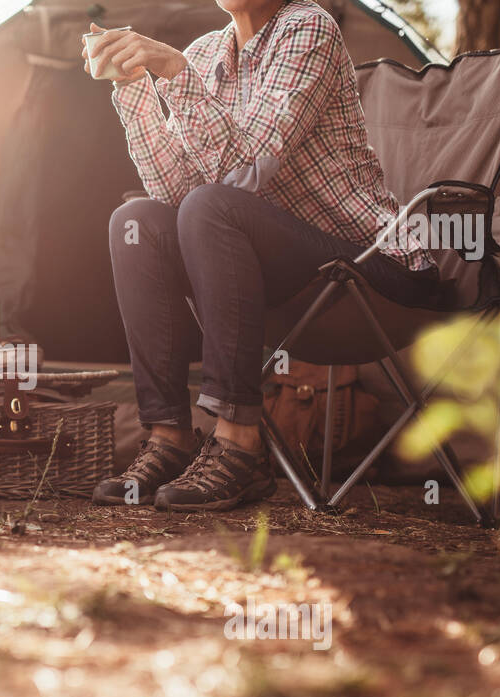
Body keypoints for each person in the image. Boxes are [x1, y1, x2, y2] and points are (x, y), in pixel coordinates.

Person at [85, 0, 432, 511]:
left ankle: (239, 442)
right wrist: (134, 85)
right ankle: (169, 437)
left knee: (211, 206)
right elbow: (174, 191)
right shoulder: (206, 53)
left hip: (367, 267)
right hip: (281, 272)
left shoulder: (307, 28)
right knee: (137, 222)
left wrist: (175, 72)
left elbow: (243, 172)